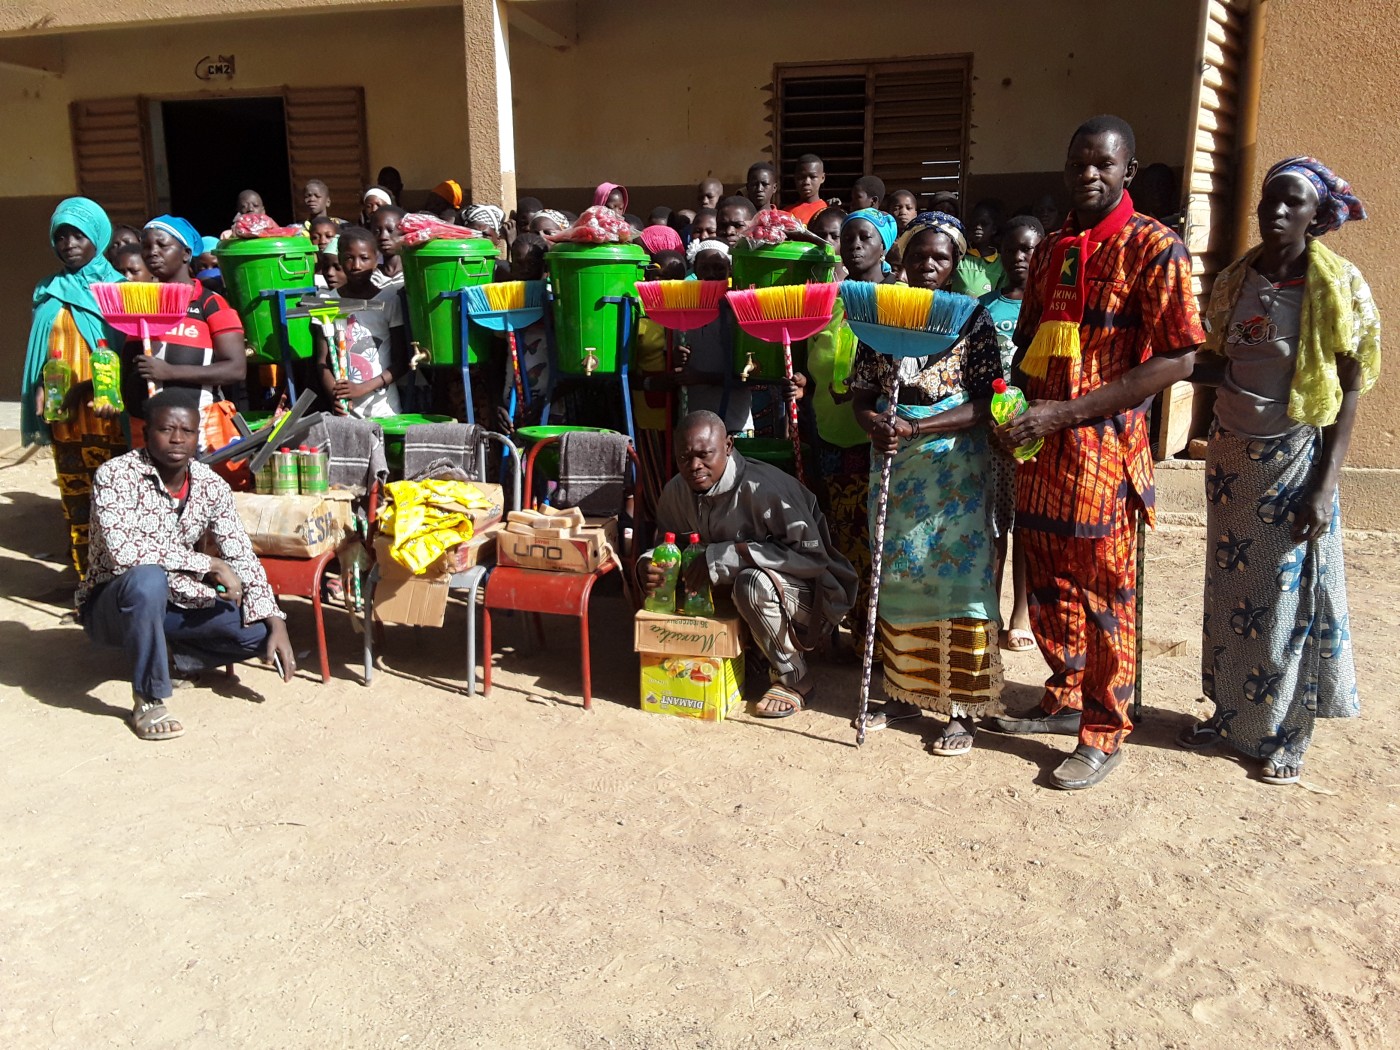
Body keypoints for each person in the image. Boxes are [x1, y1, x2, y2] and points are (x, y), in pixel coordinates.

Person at [989, 115, 1205, 790]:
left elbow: (1179, 357)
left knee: (1105, 593)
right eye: (1078, 162)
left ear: (1127, 171)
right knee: (1047, 582)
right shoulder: (1053, 248)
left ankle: (1105, 728)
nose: (1088, 174)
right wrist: (1014, 406)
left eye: (1102, 164)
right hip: (1040, 451)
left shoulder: (1156, 248)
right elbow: (1028, 341)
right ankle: (1065, 695)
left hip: (1102, 454)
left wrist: (1068, 411)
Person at [1180, 157, 1377, 785]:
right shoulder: (1235, 280)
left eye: (1294, 202)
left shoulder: (1336, 285)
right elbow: (1218, 361)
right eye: (1271, 200)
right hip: (1231, 459)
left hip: (1294, 458)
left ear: (1317, 215)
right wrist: (1153, 371)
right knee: (1230, 591)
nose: (1278, 212)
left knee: (1289, 601)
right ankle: (1230, 715)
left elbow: (1349, 387)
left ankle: (1287, 734)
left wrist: (1325, 486)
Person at [849, 212, 1006, 751]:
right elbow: (862, 395)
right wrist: (875, 424)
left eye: (941, 257)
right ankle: (904, 691)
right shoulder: (880, 316)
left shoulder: (973, 320)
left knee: (960, 584)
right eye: (919, 255)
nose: (929, 265)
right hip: (896, 465)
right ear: (904, 259)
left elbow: (987, 401)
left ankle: (962, 707)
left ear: (956, 262)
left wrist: (918, 426)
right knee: (898, 580)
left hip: (954, 471)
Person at [77, 390, 295, 741]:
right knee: (147, 579)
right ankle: (149, 698)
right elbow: (124, 553)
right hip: (114, 605)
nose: (177, 439)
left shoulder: (211, 485)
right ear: (147, 432)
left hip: (175, 598)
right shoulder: (116, 476)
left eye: (187, 431)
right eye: (166, 429)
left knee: (257, 633)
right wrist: (208, 563)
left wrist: (275, 619)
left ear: (197, 435)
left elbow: (240, 553)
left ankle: (172, 656)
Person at [645, 410, 857, 716]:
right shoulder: (675, 492)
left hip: (814, 599)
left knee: (751, 583)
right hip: (742, 598)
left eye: (705, 455)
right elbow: (666, 546)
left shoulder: (765, 489)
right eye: (684, 458)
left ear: (728, 446)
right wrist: (650, 567)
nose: (694, 466)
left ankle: (795, 678)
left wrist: (727, 556)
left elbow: (813, 560)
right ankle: (750, 650)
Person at [21, 197, 130, 578]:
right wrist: (39, 387)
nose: (68, 244)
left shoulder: (118, 290)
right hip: (64, 416)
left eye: (78, 235)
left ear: (97, 236)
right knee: (76, 503)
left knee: (113, 503)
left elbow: (128, 350)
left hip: (108, 415)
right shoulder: (48, 290)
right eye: (61, 236)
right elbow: (41, 349)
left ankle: (118, 582)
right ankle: (87, 582)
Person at [805, 208, 895, 652]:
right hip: (829, 433)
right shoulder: (828, 301)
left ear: (885, 246)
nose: (854, 245)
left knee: (874, 538)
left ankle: (872, 637)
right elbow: (813, 361)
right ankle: (850, 626)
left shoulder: (896, 303)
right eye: (847, 238)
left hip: (876, 438)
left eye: (865, 237)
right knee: (841, 535)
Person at [978, 215, 1043, 653]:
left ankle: (1021, 612)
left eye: (1029, 249)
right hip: (991, 433)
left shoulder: (1049, 311)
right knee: (994, 525)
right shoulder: (984, 308)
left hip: (1032, 434)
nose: (1020, 257)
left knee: (1024, 526)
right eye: (1012, 249)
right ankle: (990, 611)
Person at [129, 215, 247, 447]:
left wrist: (170, 372)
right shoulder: (140, 304)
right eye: (146, 246)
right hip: (147, 429)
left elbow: (236, 369)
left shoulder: (211, 304)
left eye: (162, 245)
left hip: (201, 428)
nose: (152, 252)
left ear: (186, 254)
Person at [315, 226, 406, 418]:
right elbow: (322, 361)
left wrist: (362, 388)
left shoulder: (389, 300)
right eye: (349, 258)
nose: (356, 265)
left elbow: (401, 362)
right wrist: (335, 396)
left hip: (384, 410)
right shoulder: (327, 302)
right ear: (340, 259)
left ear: (376, 259)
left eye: (364, 258)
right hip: (346, 412)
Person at [950, 200, 1005, 296]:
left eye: (984, 223)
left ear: (994, 229)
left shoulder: (1000, 263)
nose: (978, 227)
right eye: (974, 223)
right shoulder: (960, 256)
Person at [786, 154, 829, 226]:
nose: (806, 182)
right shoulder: (785, 213)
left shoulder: (828, 210)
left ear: (822, 178)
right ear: (795, 178)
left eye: (813, 177)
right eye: (801, 177)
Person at [370, 205, 406, 287]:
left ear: (404, 232)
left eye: (390, 230)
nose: (383, 237)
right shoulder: (370, 276)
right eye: (377, 231)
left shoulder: (414, 274)